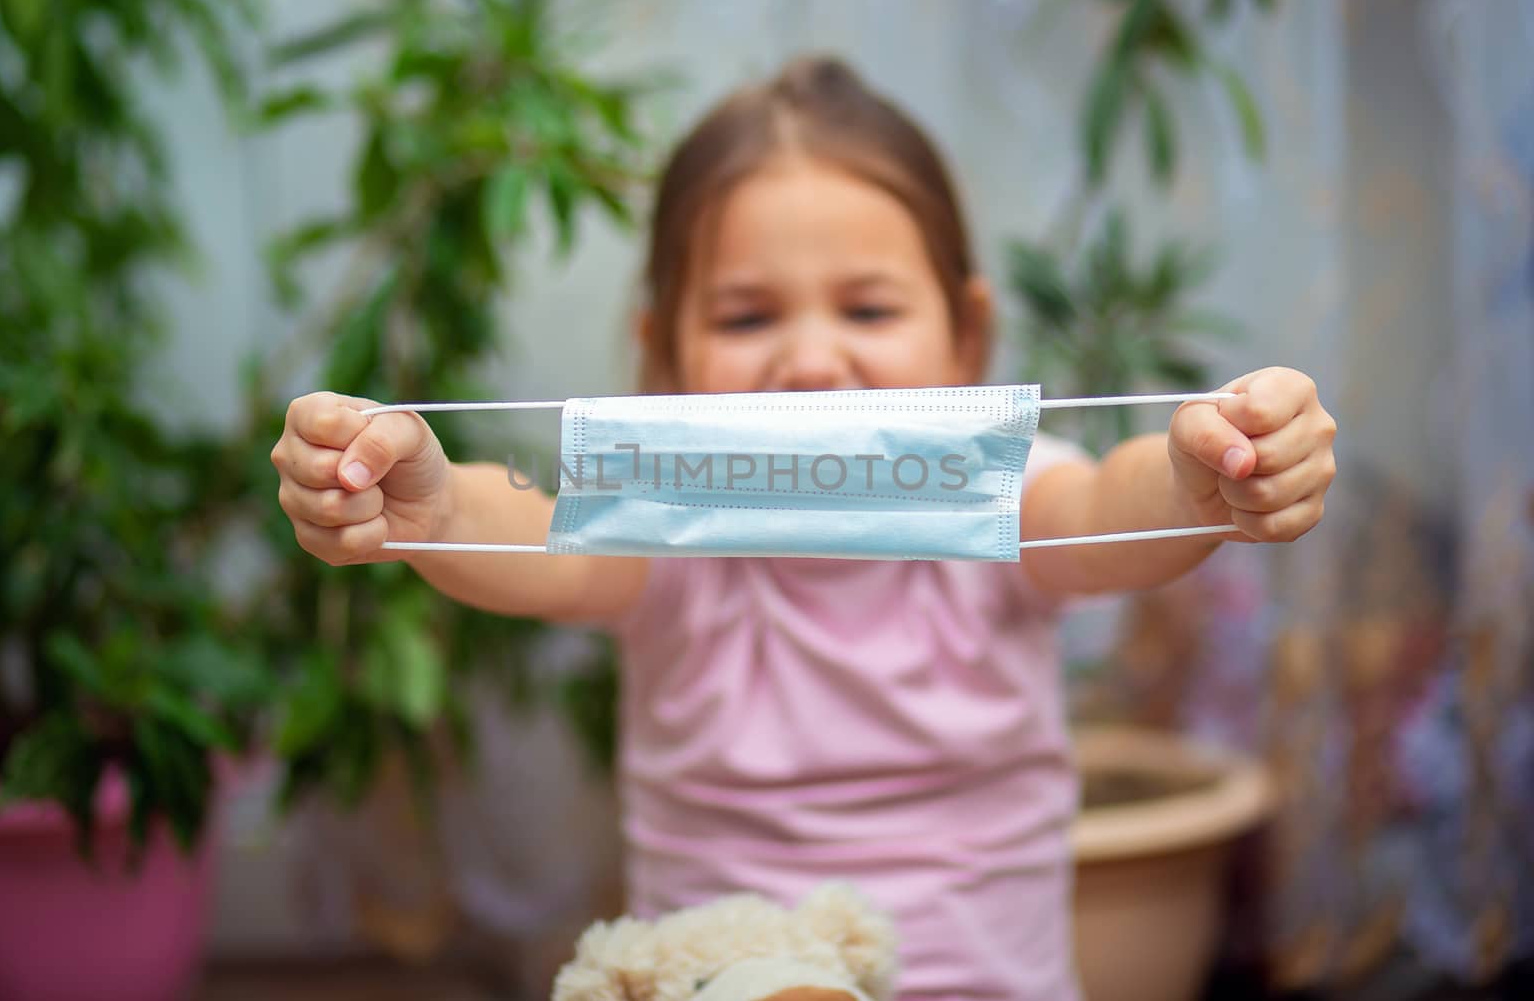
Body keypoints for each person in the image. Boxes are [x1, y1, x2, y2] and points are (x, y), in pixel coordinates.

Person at [270, 56, 1337, 1000]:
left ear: (966, 337)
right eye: (746, 317)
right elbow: (533, 535)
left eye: (867, 310)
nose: (813, 360)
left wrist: (1203, 477)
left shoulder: (1002, 497)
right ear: (665, 354)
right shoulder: (667, 531)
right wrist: (434, 506)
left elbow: (1109, 505)